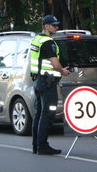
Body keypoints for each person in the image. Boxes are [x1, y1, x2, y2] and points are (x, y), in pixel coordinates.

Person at [30, 15, 70, 155]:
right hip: (47, 83)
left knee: (39, 113)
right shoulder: (48, 42)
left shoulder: (36, 39)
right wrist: (63, 71)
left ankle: (36, 145)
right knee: (48, 113)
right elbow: (54, 63)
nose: (57, 27)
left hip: (37, 81)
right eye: (54, 25)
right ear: (46, 26)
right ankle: (42, 146)